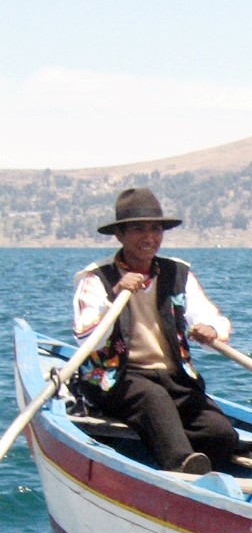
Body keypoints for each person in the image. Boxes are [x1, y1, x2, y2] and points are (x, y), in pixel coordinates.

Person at [72, 187, 239, 474]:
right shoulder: (97, 278)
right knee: (153, 399)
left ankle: (179, 452)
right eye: (138, 229)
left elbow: (214, 319)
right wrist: (116, 296)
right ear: (120, 235)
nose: (149, 237)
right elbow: (88, 337)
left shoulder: (177, 274)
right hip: (117, 378)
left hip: (174, 378)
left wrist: (210, 329)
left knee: (220, 433)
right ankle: (181, 469)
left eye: (156, 229)